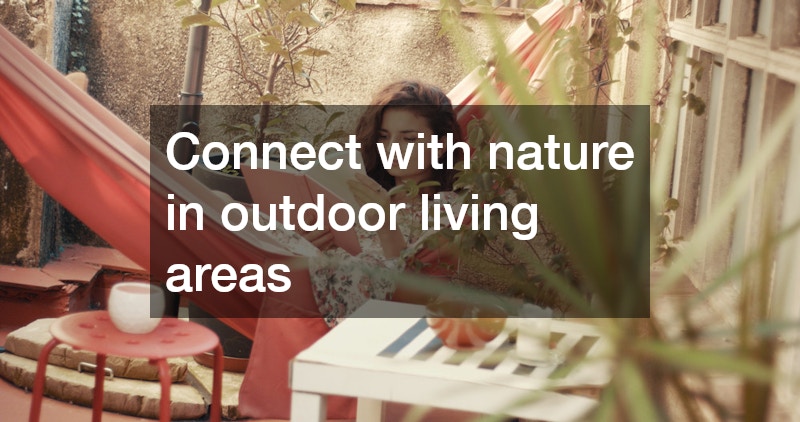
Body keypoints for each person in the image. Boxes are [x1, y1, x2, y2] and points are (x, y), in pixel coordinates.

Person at [238, 80, 466, 419]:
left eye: (408, 138)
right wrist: (312, 243)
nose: (393, 148)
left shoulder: (448, 209)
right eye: (385, 137)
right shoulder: (359, 190)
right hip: (335, 302)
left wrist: (385, 222)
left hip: (390, 317)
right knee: (283, 256)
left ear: (442, 145)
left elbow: (410, 288)